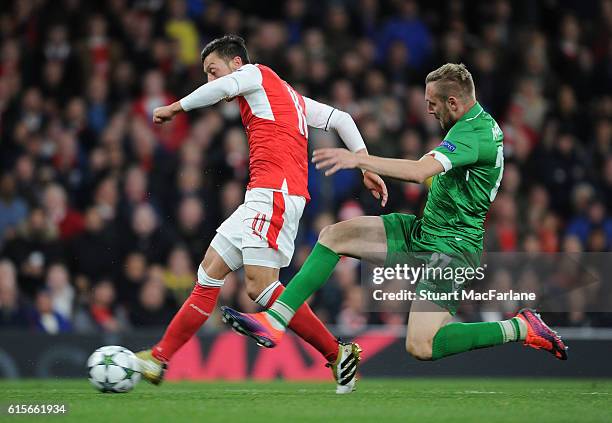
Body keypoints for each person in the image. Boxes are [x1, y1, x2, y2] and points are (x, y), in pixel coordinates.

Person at [221, 63, 568, 368]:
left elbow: (420, 171)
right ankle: (276, 321)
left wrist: (361, 160)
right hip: (424, 231)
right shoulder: (471, 125)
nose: (428, 110)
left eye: (433, 103)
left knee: (421, 345)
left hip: (453, 248)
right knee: (334, 236)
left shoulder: (474, 134)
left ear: (453, 102)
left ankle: (520, 327)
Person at [136, 35, 388, 394]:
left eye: (213, 71)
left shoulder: (255, 74)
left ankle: (337, 354)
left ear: (236, 64)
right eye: (206, 75)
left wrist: (175, 108)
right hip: (262, 195)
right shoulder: (290, 98)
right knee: (209, 272)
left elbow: (222, 88)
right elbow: (342, 119)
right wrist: (364, 163)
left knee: (259, 286)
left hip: (275, 194)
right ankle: (158, 358)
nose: (212, 81)